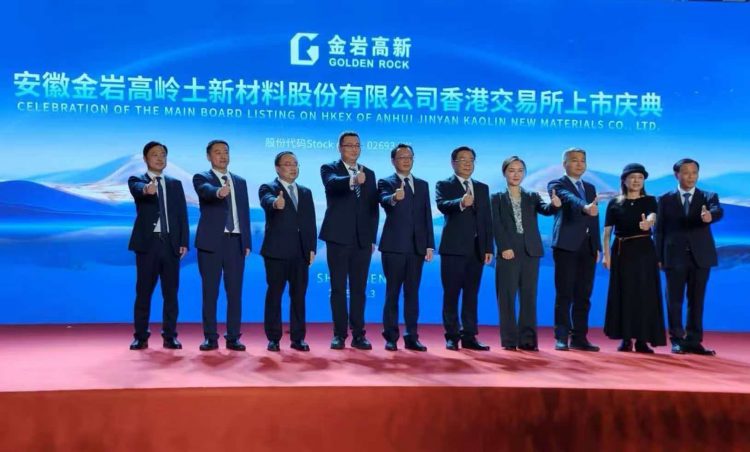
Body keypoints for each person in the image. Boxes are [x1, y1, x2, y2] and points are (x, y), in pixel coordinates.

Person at [655, 158, 723, 355]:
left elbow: (717, 211)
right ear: (676, 175)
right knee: (674, 301)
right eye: (686, 172)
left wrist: (710, 217)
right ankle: (677, 339)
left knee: (696, 300)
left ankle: (694, 341)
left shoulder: (708, 196)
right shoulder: (664, 199)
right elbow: (658, 231)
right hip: (673, 256)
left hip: (700, 257)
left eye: (694, 173)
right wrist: (658, 256)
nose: (691, 177)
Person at [491, 156, 560, 351]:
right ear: (504, 173)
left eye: (520, 170)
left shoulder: (531, 196)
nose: (516, 174)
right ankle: (509, 340)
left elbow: (546, 210)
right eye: (512, 170)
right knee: (507, 297)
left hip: (531, 251)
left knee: (529, 296)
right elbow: (496, 224)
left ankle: (528, 340)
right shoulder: (496, 198)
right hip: (508, 252)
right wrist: (503, 247)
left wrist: (554, 204)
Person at [319, 131, 379, 350]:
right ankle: (339, 334)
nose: (354, 149)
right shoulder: (329, 169)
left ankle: (359, 334)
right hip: (338, 238)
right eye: (349, 145)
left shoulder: (369, 173)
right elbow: (332, 184)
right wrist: (353, 180)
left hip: (362, 240)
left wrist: (371, 238)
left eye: (357, 145)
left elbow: (373, 208)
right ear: (340, 148)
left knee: (359, 289)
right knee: (337, 288)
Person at [127, 141, 189, 350]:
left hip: (170, 245)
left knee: (170, 294)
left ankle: (170, 336)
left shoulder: (175, 184)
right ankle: (141, 336)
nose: (160, 158)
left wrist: (183, 241)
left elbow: (182, 214)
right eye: (155, 154)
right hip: (148, 245)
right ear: (145, 158)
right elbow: (138, 190)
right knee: (143, 292)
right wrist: (147, 189)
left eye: (163, 154)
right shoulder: (137, 180)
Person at [193, 139, 251, 352]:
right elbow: (206, 190)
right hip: (211, 243)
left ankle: (233, 337)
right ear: (209, 156)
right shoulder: (201, 177)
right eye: (217, 152)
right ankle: (210, 337)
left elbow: (244, 213)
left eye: (225, 151)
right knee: (210, 292)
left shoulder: (240, 181)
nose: (223, 155)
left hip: (236, 242)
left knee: (234, 293)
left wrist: (246, 241)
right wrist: (219, 192)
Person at [601, 163, 666, 353]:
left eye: (640, 177)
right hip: (621, 252)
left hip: (644, 251)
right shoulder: (615, 203)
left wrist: (649, 223)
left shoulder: (650, 200)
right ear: (624, 180)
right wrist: (606, 256)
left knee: (644, 294)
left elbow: (653, 216)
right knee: (624, 293)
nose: (636, 181)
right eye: (632, 177)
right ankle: (626, 338)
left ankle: (642, 340)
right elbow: (607, 233)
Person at [435, 146, 494, 351]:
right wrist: (460, 202)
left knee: (471, 294)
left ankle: (469, 335)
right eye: (462, 159)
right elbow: (442, 205)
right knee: (451, 294)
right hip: (453, 249)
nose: (467, 163)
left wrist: (488, 247)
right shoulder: (444, 184)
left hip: (476, 250)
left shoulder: (482, 188)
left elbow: (487, 220)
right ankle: (452, 336)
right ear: (453, 163)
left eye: (471, 160)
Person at [377, 144, 435, 352]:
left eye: (409, 157)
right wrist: (394, 198)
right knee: (392, 293)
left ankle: (412, 337)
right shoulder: (385, 182)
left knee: (412, 294)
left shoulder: (422, 184)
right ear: (393, 161)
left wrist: (429, 244)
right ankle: (391, 337)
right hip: (394, 247)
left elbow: (427, 215)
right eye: (401, 157)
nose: (406, 160)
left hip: (417, 249)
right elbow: (384, 200)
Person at [258, 151, 317, 352]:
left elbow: (309, 223)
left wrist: (311, 248)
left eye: (295, 164)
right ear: (277, 168)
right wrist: (276, 203)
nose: (292, 167)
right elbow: (267, 200)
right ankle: (273, 338)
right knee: (275, 295)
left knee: (299, 296)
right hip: (276, 252)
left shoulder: (306, 192)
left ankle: (298, 338)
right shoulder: (268, 188)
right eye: (287, 164)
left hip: (300, 253)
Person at [547, 147, 602, 352]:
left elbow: (594, 218)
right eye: (574, 160)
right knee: (564, 294)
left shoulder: (590, 187)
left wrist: (596, 246)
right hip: (566, 246)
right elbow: (569, 198)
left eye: (582, 160)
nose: (579, 164)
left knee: (584, 295)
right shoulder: (557, 184)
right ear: (565, 164)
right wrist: (584, 206)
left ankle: (580, 337)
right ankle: (561, 336)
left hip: (588, 247)